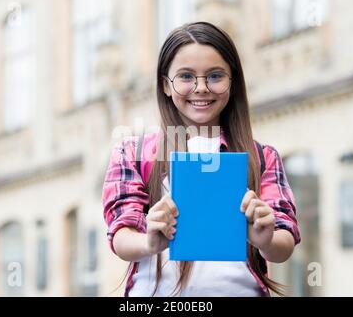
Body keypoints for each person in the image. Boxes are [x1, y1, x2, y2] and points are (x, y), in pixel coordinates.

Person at [102, 22, 300, 297]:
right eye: (186, 76)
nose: (202, 87)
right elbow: (120, 234)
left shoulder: (263, 157)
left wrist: (264, 239)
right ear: (166, 85)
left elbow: (284, 243)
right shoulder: (131, 154)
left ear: (233, 82)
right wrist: (150, 241)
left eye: (215, 76)